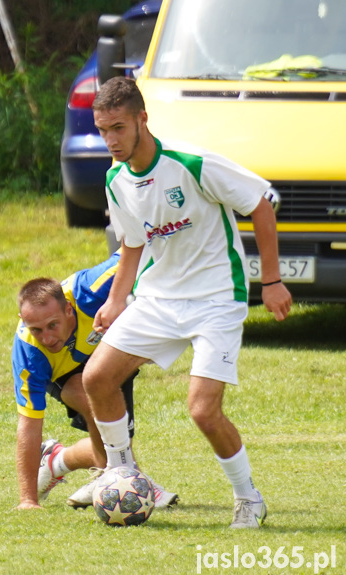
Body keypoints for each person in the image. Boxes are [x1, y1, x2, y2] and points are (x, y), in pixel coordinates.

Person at [83, 77, 292, 528]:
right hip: (159, 299)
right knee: (97, 378)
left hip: (217, 298)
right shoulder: (116, 180)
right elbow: (132, 243)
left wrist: (271, 280)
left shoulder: (191, 163)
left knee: (202, 409)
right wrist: (117, 299)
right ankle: (122, 472)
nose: (110, 140)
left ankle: (248, 497)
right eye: (102, 130)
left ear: (142, 119)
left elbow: (259, 205)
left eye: (118, 127)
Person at [13, 253, 177, 510]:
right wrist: (27, 500)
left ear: (69, 309)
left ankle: (57, 460)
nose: (46, 337)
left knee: (117, 436)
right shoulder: (29, 354)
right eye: (36, 330)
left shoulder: (91, 289)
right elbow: (30, 424)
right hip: (64, 374)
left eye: (52, 325)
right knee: (95, 410)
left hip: (107, 355)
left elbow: (136, 250)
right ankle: (136, 483)